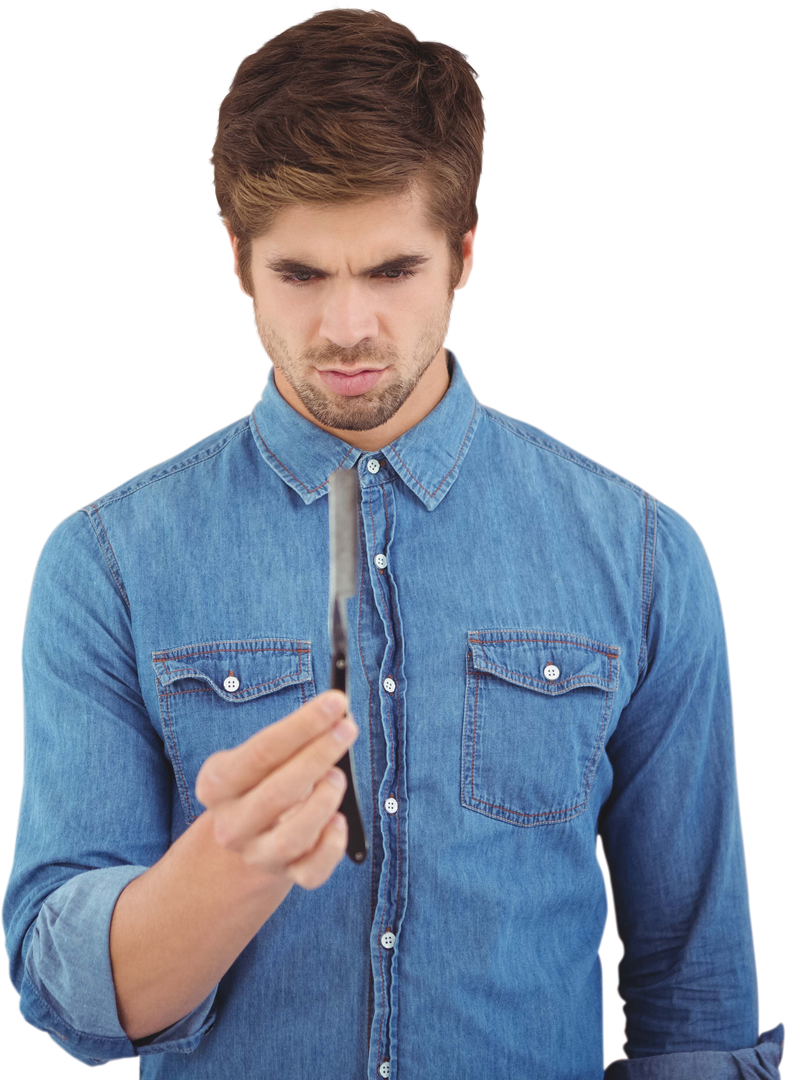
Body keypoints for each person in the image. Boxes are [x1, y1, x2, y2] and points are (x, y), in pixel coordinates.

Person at [5, 4, 783, 1078]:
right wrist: (232, 866)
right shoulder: (103, 563)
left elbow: (695, 992)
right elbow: (70, 1003)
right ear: (235, 259)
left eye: (392, 271)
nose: (347, 329)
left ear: (466, 251)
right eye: (301, 274)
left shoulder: (647, 555)